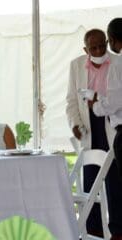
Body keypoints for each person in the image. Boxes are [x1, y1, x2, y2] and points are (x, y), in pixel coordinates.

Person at [66, 28, 122, 238]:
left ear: (108, 42)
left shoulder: (118, 63)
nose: (99, 50)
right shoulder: (76, 66)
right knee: (90, 183)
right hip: (89, 129)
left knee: (115, 182)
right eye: (93, 48)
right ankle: (93, 231)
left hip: (113, 126)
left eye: (102, 45)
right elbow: (71, 102)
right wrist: (75, 124)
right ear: (85, 49)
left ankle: (117, 231)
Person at [91, 18, 122, 240]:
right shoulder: (77, 65)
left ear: (112, 40)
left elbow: (113, 102)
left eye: (105, 42)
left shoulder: (118, 64)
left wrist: (95, 106)